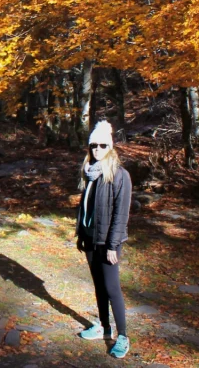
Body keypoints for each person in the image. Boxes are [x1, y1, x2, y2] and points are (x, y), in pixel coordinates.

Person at [75, 120, 132, 359]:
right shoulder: (89, 172)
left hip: (108, 242)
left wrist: (113, 245)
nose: (97, 150)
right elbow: (85, 208)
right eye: (93, 146)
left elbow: (121, 213)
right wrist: (80, 234)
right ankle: (103, 327)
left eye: (102, 146)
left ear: (110, 147)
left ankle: (123, 336)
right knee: (99, 286)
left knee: (112, 288)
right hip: (90, 238)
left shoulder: (120, 175)